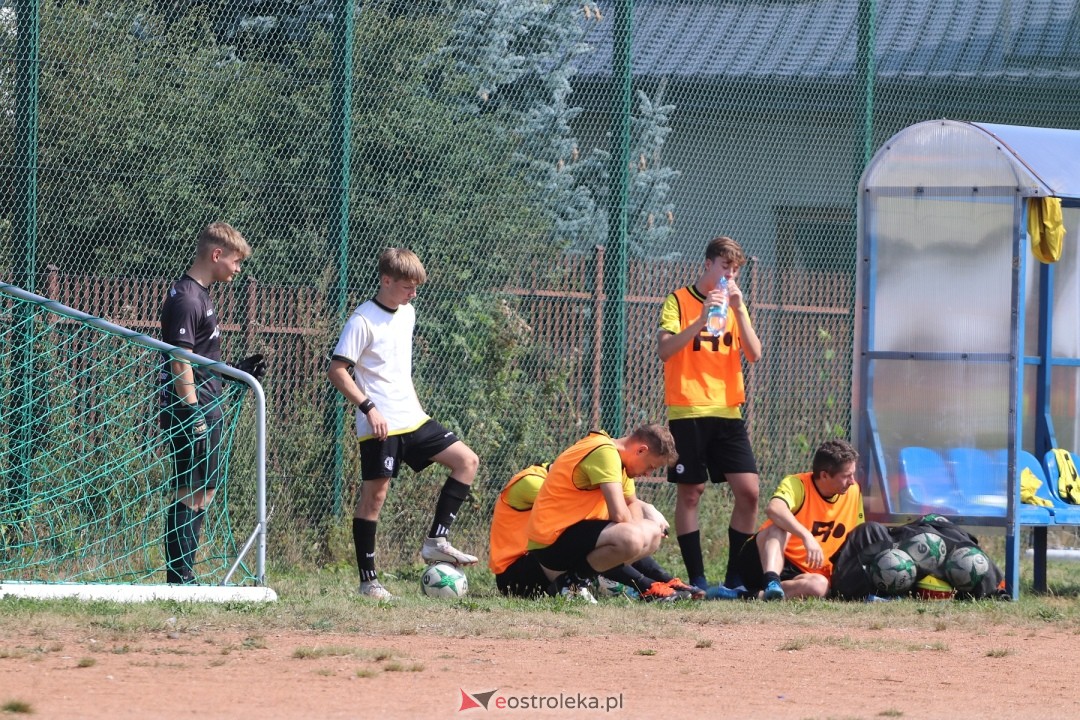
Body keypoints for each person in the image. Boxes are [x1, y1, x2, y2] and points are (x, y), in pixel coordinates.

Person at [328, 248, 480, 601]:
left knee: (466, 461)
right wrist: (369, 408)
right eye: (408, 287)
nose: (413, 294)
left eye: (416, 288)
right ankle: (369, 582)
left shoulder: (408, 312)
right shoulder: (362, 320)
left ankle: (436, 541)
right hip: (380, 423)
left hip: (413, 418)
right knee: (375, 498)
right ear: (386, 281)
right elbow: (337, 370)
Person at [657, 235, 763, 593]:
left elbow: (754, 353)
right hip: (688, 409)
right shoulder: (678, 300)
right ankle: (698, 579)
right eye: (724, 267)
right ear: (708, 264)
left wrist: (738, 309)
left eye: (734, 270)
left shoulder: (735, 305)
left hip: (728, 410)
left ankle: (734, 578)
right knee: (691, 492)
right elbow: (665, 350)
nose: (729, 275)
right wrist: (700, 320)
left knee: (749, 491)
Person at [158, 221, 254, 584]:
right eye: (235, 260)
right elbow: (180, 361)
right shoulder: (186, 297)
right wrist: (192, 411)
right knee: (189, 489)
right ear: (216, 255)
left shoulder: (203, 294)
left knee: (205, 491)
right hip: (190, 411)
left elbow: (201, 359)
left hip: (206, 405)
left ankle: (185, 576)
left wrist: (233, 373)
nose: (237, 268)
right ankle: (179, 580)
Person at [489, 462, 705, 601]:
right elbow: (593, 515)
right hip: (516, 576)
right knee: (595, 539)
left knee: (607, 535)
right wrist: (643, 509)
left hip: (542, 563)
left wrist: (646, 509)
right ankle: (647, 587)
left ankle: (664, 581)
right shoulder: (532, 482)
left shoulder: (570, 486)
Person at [524, 425, 678, 602]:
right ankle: (571, 584)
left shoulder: (622, 463)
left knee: (651, 533)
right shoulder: (604, 452)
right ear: (641, 450)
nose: (648, 473)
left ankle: (578, 581)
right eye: (650, 466)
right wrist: (635, 531)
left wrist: (641, 530)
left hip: (575, 535)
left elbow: (632, 502)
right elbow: (619, 515)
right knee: (631, 537)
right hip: (550, 542)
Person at [732, 438, 864, 600]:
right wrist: (806, 536)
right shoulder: (798, 484)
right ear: (824, 475)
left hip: (802, 573)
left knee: (819, 586)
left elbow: (857, 534)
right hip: (762, 560)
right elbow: (774, 509)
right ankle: (771, 582)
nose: (852, 481)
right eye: (847, 475)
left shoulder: (853, 491)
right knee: (780, 527)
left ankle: (746, 595)